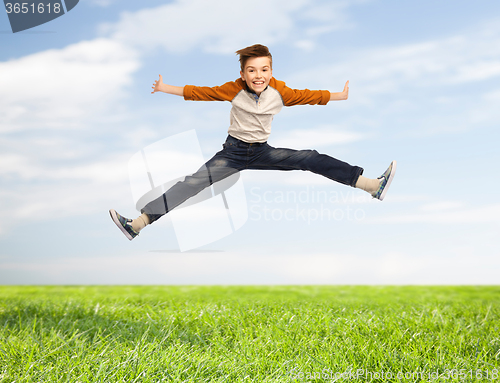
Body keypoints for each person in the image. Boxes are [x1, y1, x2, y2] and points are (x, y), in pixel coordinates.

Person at [110, 44, 396, 241]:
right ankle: (138, 224)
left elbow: (308, 96)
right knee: (193, 183)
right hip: (232, 154)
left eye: (264, 70)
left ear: (270, 71)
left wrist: (339, 95)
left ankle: (371, 185)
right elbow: (199, 92)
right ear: (243, 74)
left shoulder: (280, 92)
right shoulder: (233, 90)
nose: (258, 76)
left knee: (309, 157)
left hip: (263, 152)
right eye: (252, 71)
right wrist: (164, 88)